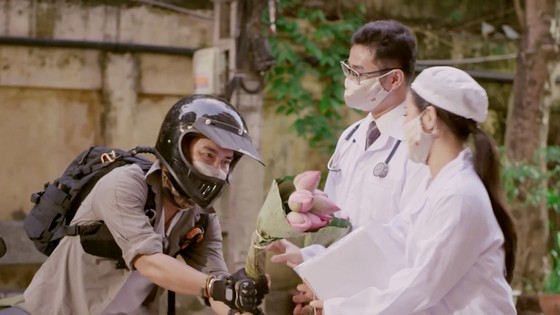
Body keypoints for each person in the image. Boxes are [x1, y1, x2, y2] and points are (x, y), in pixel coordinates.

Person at [5, 95, 268, 315]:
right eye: (208, 154)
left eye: (225, 161)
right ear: (179, 146)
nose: (217, 170)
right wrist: (218, 287)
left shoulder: (201, 219)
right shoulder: (126, 183)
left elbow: (217, 288)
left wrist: (240, 303)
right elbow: (149, 262)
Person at [307, 66, 518, 314]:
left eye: (407, 113)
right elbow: (390, 240)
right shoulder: (439, 186)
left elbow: (421, 286)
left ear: (429, 119)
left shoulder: (459, 195)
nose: (404, 123)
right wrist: (310, 260)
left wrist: (340, 309)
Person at [267, 20, 427, 313]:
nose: (349, 80)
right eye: (348, 69)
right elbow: (338, 223)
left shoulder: (418, 144)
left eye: (358, 73)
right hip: (344, 298)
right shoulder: (351, 137)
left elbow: (408, 245)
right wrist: (309, 260)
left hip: (389, 302)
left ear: (394, 80)